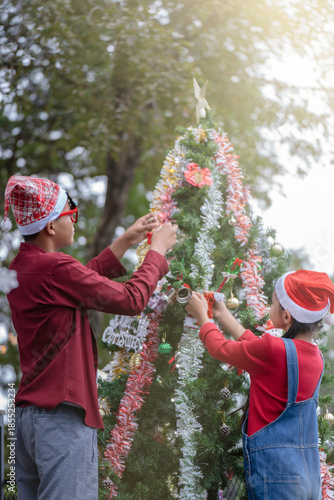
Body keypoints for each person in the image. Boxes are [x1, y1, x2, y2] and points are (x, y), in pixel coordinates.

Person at [2, 174, 178, 500]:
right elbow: (130, 300)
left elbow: (76, 284)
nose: (75, 220)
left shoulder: (24, 267)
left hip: (27, 421)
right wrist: (157, 252)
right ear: (51, 227)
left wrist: (125, 241)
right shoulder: (57, 269)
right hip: (62, 420)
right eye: (72, 213)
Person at [185, 270, 334, 500]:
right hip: (308, 478)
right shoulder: (316, 356)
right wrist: (224, 315)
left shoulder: (274, 351)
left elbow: (220, 349)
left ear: (287, 317)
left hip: (274, 476)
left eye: (273, 303)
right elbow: (259, 350)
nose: (269, 307)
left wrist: (203, 318)